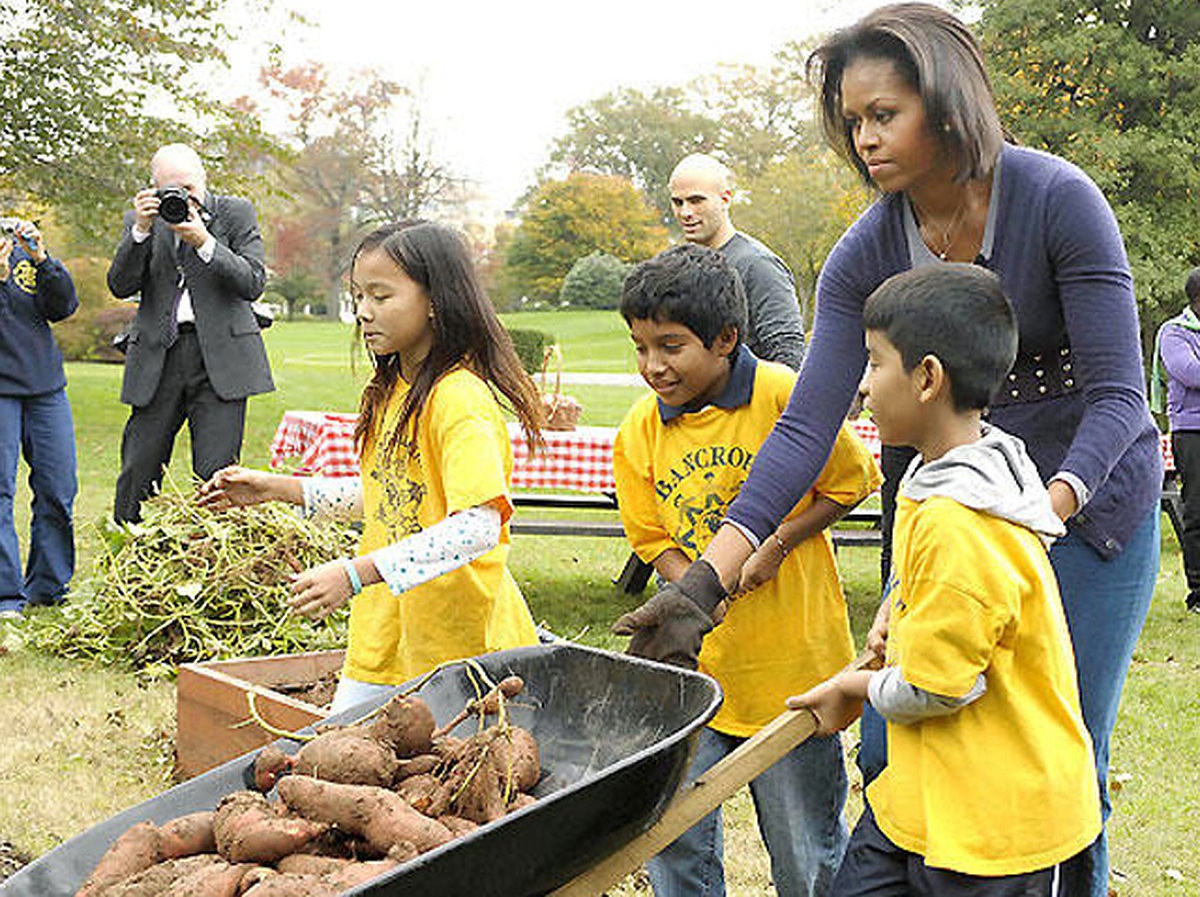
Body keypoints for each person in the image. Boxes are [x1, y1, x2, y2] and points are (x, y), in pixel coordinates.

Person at [617, 5, 1162, 895]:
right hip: (941, 521)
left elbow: (1117, 399)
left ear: (948, 107)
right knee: (893, 736)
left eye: (884, 114)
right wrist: (704, 582)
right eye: (852, 120)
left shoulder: (1057, 199)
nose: (864, 138)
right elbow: (804, 427)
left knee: (1059, 754)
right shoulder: (868, 248)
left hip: (1084, 514)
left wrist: (1034, 516)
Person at [791, 263, 1099, 894]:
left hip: (997, 830)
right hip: (923, 799)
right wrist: (895, 610)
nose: (865, 386)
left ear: (927, 377)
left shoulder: (962, 521)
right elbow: (930, 587)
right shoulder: (950, 474)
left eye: (876, 364)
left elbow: (941, 688)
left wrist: (857, 688)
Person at [611, 244, 881, 897]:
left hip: (793, 674)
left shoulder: (787, 396)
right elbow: (651, 536)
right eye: (641, 346)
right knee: (674, 840)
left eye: (671, 346)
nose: (653, 365)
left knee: (804, 850)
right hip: (695, 676)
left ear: (727, 337)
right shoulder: (638, 432)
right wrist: (695, 588)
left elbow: (851, 482)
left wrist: (781, 541)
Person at [199, 220, 543, 713]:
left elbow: (477, 527)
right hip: (385, 632)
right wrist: (279, 488)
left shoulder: (459, 398)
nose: (363, 312)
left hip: (462, 649)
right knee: (334, 759)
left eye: (381, 296)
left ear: (435, 300)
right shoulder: (390, 390)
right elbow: (391, 495)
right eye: (359, 295)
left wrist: (355, 573)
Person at [108, 143, 274, 523]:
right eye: (170, 190)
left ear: (204, 181)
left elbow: (252, 282)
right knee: (138, 469)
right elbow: (120, 284)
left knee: (217, 477)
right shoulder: (143, 222)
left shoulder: (235, 212)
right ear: (154, 189)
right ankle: (125, 561)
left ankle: (209, 563)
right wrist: (140, 231)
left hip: (221, 360)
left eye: (188, 188)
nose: (182, 198)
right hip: (158, 357)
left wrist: (204, 242)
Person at [0, 217, 78, 615]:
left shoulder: (23, 254)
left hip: (46, 388)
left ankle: (49, 587)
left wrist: (43, 259)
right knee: (0, 492)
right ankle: (5, 596)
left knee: (58, 489)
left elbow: (62, 306)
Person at [669, 153, 806, 369]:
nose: (685, 212)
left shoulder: (758, 265)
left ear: (725, 199)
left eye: (696, 200)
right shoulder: (676, 265)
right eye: (678, 202)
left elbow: (787, 353)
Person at [1152, 267, 1200, 613]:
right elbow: (1189, 372)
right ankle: (1198, 591)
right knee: (1197, 510)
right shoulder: (1175, 332)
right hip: (1192, 430)